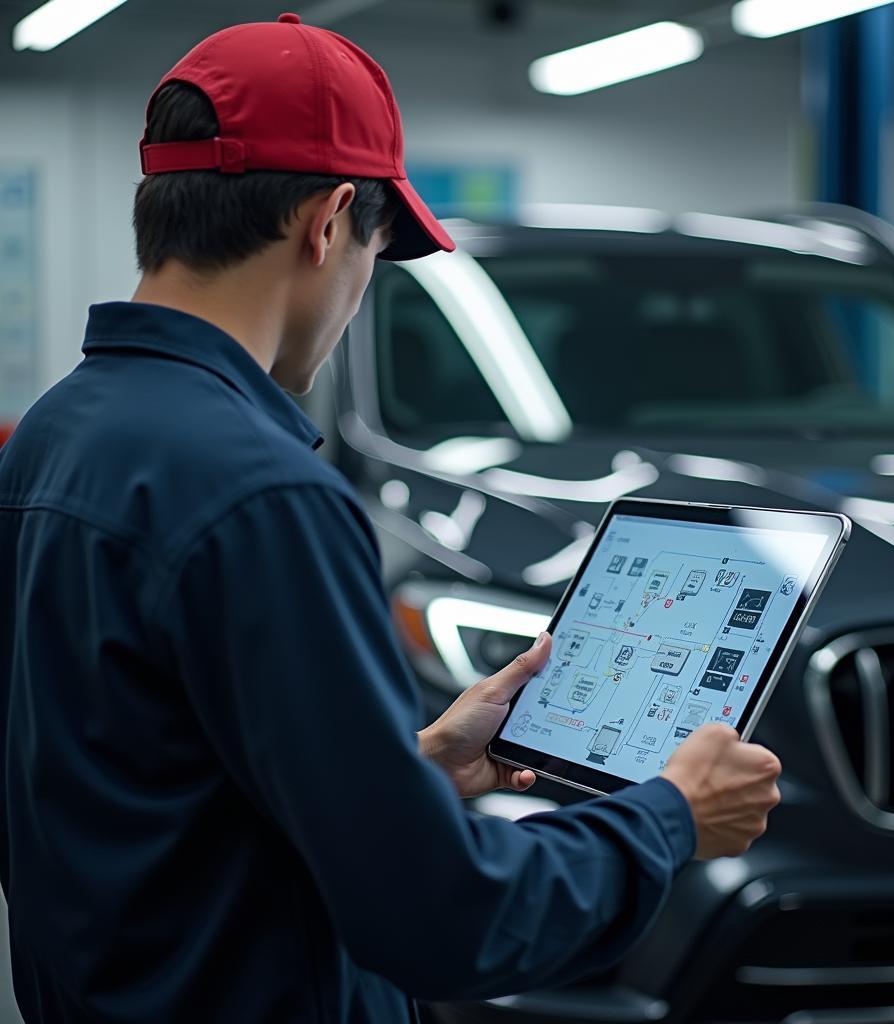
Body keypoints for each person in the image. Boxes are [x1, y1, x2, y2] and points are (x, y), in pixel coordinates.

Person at [0, 14, 781, 1024]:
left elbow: (135, 781)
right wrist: (670, 816)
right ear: (328, 224)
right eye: (376, 249)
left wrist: (408, 770)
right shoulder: (262, 491)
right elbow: (442, 917)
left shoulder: (51, 438)